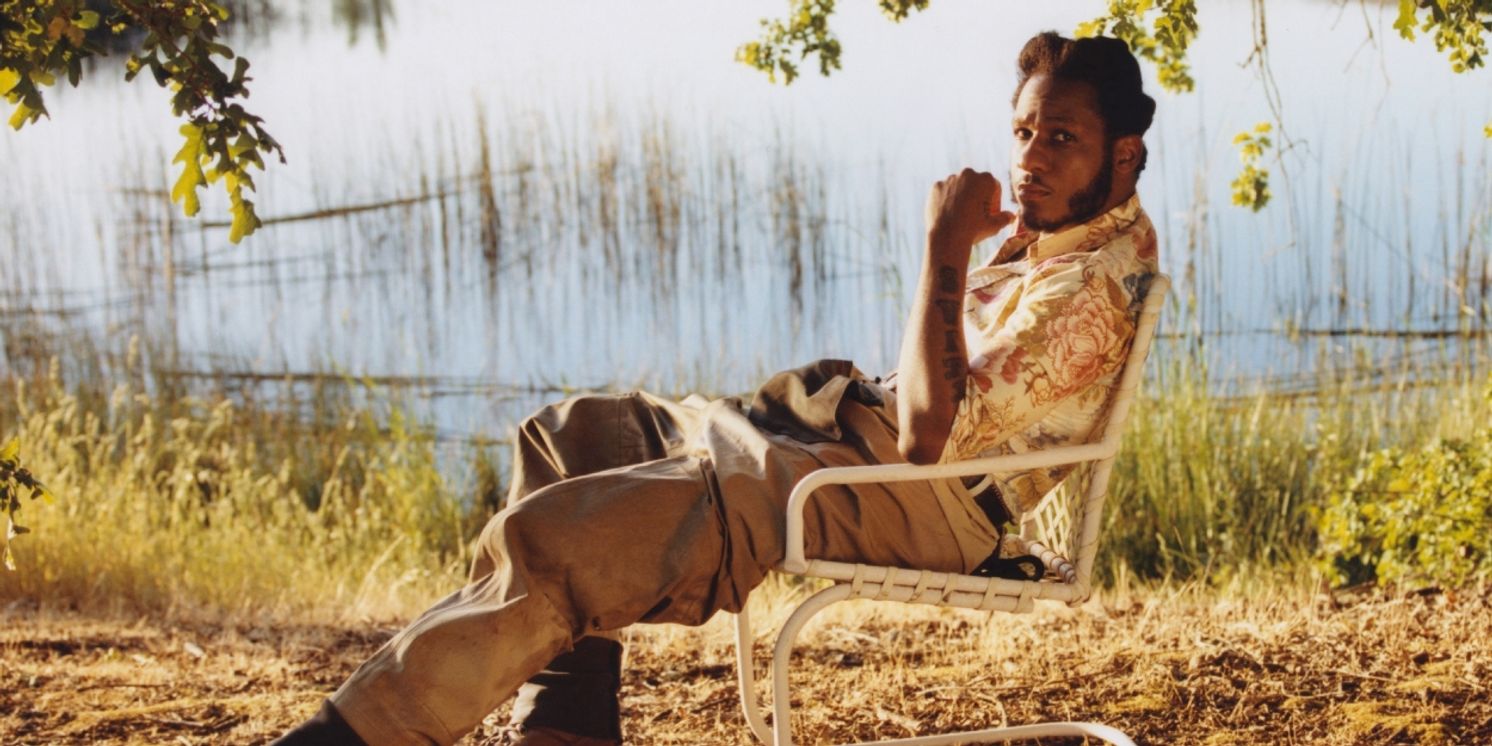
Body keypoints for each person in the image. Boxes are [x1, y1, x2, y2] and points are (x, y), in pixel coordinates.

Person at [274, 30, 1160, 746]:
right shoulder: (1060, 240)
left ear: (1123, 157)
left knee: (552, 541)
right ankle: (566, 732)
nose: (1030, 159)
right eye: (1023, 132)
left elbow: (930, 437)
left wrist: (941, 251)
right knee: (572, 435)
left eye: (1061, 138)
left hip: (917, 497)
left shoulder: (1088, 291)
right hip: (851, 439)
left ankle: (349, 738)